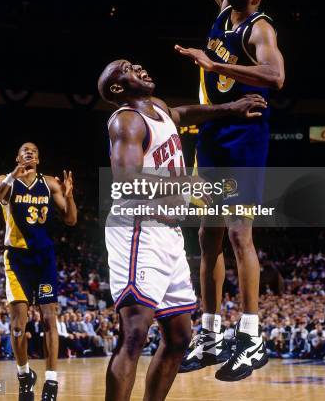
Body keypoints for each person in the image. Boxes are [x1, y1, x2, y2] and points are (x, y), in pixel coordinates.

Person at [98, 59, 267, 401]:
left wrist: (230, 108)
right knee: (133, 333)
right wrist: (185, 183)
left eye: (137, 64)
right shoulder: (127, 121)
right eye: (129, 69)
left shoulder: (158, 109)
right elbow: (126, 181)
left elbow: (184, 114)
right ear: (118, 88)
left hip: (169, 232)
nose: (140, 67)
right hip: (137, 229)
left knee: (178, 338)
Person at [174, 0, 285, 380]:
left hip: (246, 136)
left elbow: (276, 76)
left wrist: (217, 65)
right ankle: (211, 330)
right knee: (208, 236)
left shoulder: (261, 28)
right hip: (213, 135)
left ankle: (252, 336)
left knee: (240, 235)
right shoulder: (223, 10)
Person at [0, 142, 77, 401]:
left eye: (34, 150)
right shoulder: (6, 180)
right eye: (24, 150)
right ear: (17, 156)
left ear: (39, 158)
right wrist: (13, 175)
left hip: (44, 258)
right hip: (16, 258)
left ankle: (51, 382)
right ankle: (24, 376)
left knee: (49, 320)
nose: (29, 152)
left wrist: (69, 195)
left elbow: (70, 220)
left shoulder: (49, 183)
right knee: (17, 326)